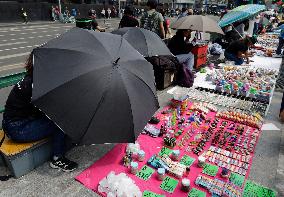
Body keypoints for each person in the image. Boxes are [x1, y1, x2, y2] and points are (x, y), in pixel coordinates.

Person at [1, 54, 78, 172]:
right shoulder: (35, 85)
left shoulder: (32, 78)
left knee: (60, 116)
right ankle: (57, 158)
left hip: (17, 122)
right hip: (17, 129)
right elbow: (52, 108)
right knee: (61, 122)